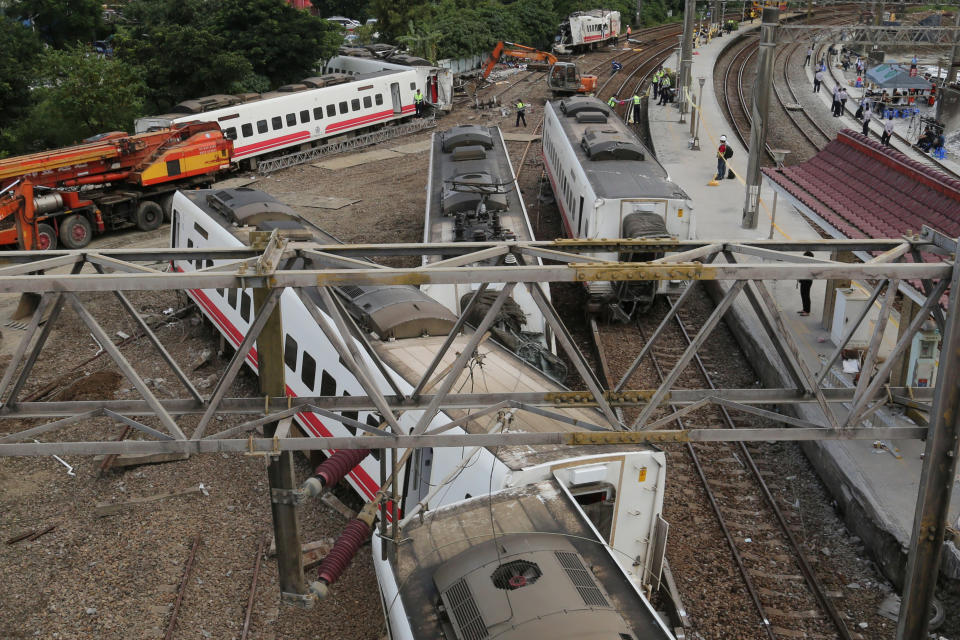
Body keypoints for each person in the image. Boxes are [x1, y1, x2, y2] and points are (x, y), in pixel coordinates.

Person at [798, 251, 814, 316]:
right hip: (804, 281)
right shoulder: (806, 263)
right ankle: (804, 309)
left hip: (807, 282)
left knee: (806, 296)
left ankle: (807, 311)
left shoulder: (810, 264)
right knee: (803, 295)